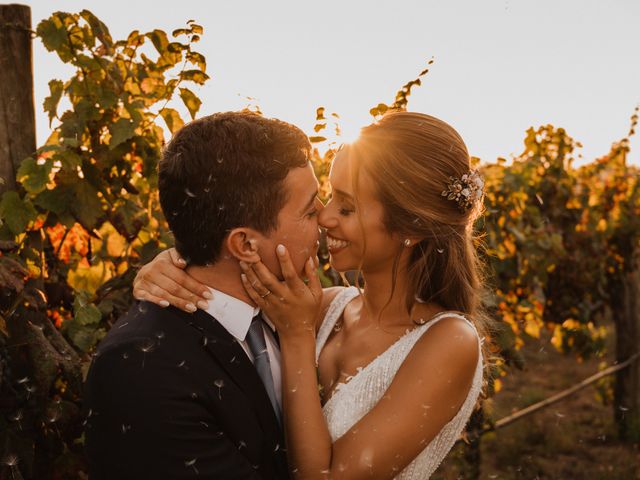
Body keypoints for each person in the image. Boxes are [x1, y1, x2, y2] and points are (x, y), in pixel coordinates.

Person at [134, 111, 490, 479]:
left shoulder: (448, 342)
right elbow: (222, 274)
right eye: (329, 195)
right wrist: (168, 265)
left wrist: (298, 336)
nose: (325, 216)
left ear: (411, 227)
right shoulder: (323, 307)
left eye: (347, 207)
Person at [84, 111, 324, 479]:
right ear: (244, 244)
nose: (325, 218)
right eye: (310, 211)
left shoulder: (298, 311)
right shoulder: (143, 367)